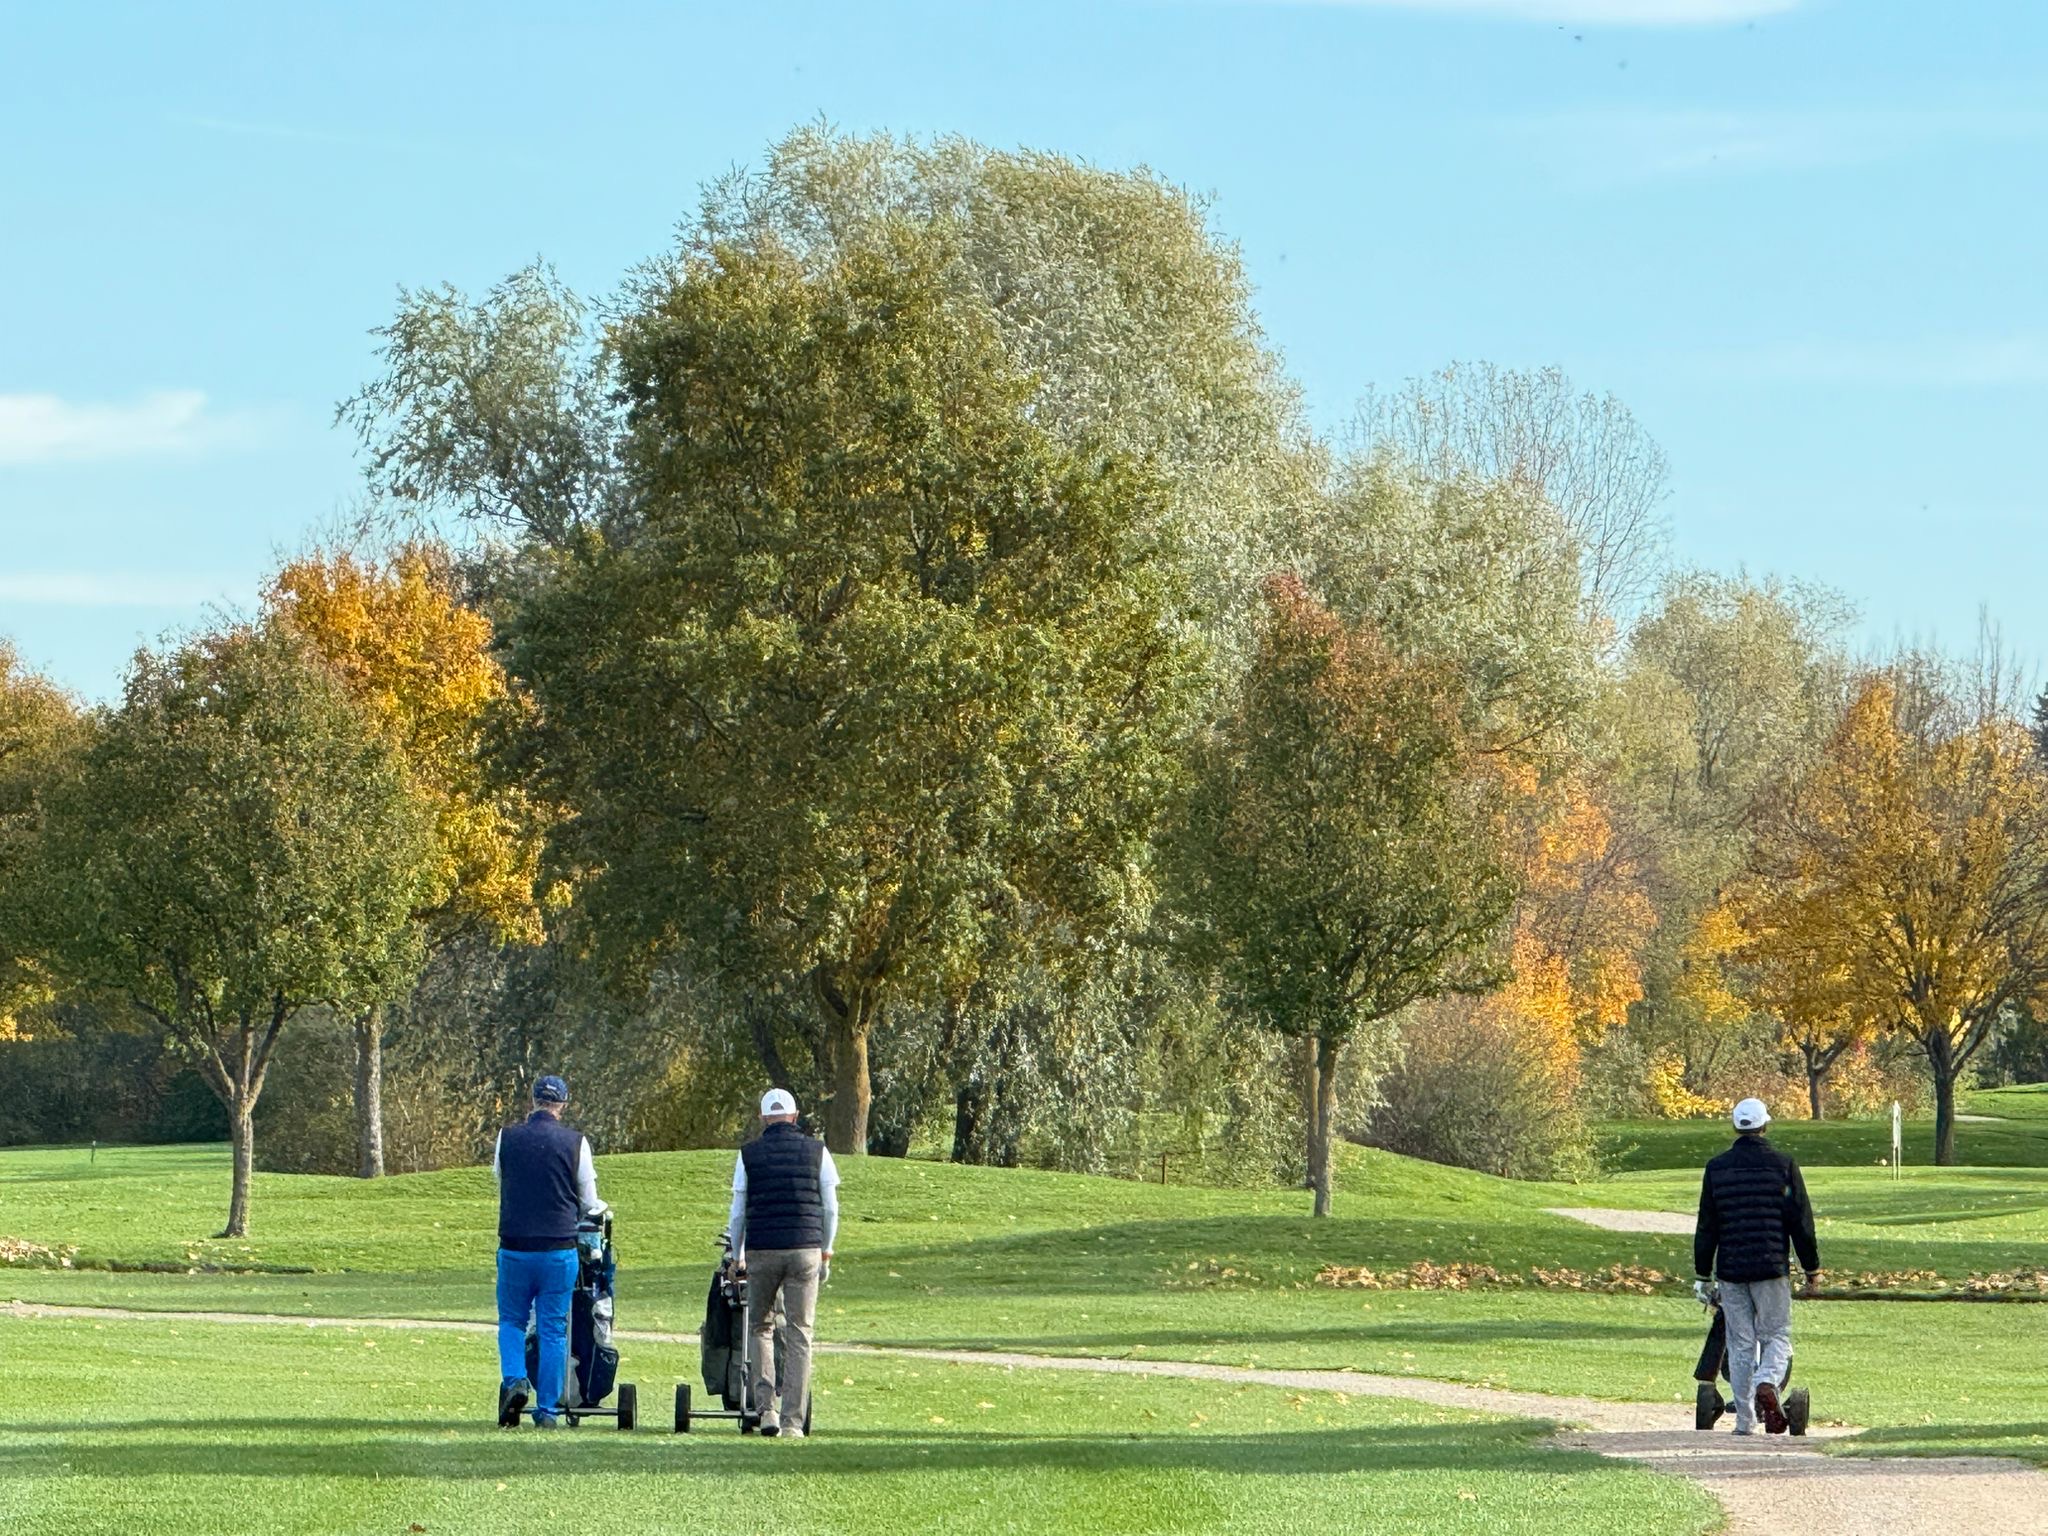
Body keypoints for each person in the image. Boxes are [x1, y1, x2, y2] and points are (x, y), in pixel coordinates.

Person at [1693, 1097, 1822, 1436]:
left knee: (1740, 1342)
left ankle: (1745, 1420)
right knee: (1776, 1334)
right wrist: (1812, 1269)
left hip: (1732, 1268)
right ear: (1766, 1125)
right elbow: (1801, 1222)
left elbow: (1708, 1225)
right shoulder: (1783, 1165)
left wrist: (1702, 1273)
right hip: (1771, 1265)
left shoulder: (1716, 1168)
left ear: (1736, 1127)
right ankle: (1768, 1381)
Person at [492, 1074, 605, 1428]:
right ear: (563, 1105)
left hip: (514, 1246)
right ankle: (548, 1410)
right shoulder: (576, 1143)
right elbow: (588, 1200)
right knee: (554, 1328)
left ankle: (514, 1380)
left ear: (533, 1100)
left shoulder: (506, 1138)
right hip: (558, 1248)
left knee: (511, 1320)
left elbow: (500, 1177)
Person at [727, 1087, 839, 1438]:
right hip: (805, 1248)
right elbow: (830, 1207)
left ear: (763, 1118)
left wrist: (737, 1255)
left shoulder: (748, 1155)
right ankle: (793, 1421)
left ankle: (766, 1411)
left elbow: (737, 1212)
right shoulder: (817, 1151)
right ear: (795, 1116)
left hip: (762, 1250)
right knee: (800, 1332)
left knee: (761, 1327)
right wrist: (826, 1250)